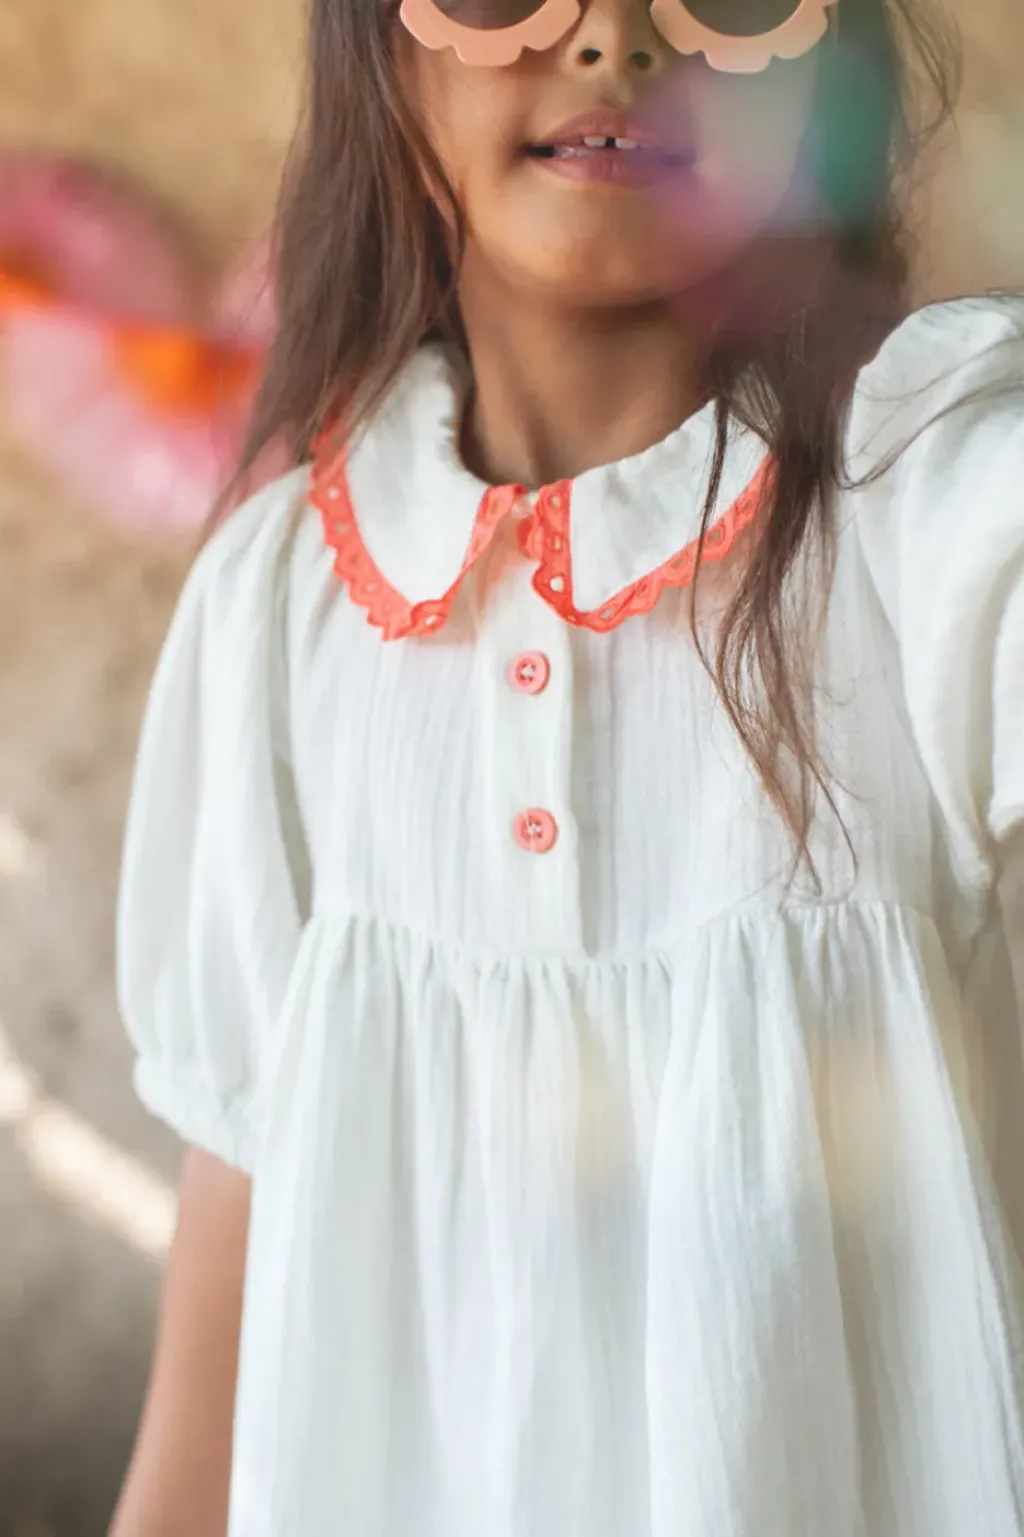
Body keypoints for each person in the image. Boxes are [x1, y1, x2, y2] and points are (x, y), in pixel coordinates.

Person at [108, 0, 1024, 1531]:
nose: (615, 39)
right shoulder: (274, 609)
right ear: (375, 58)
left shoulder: (942, 507)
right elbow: (227, 1285)